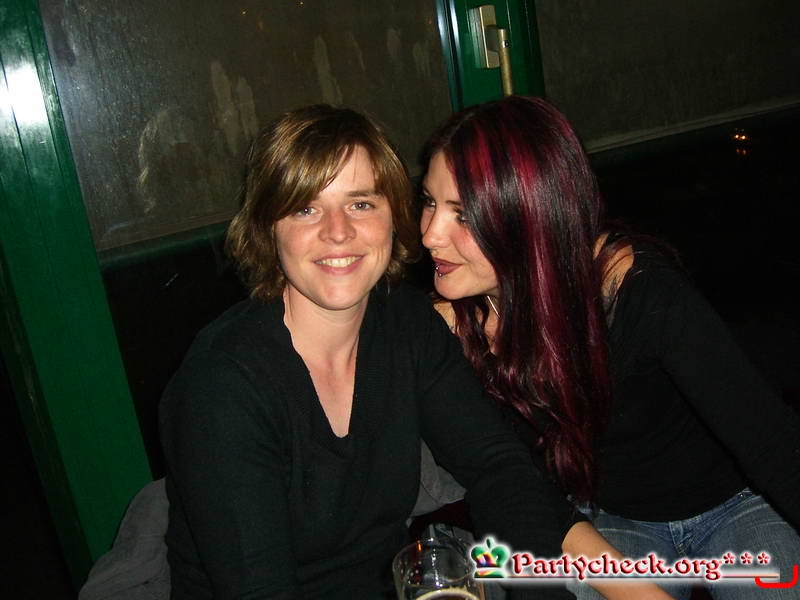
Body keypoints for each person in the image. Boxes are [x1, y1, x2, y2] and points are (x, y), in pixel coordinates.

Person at [160, 104, 660, 600]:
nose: (337, 231)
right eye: (305, 208)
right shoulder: (223, 384)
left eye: (360, 204)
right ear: (268, 227)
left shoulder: (407, 325)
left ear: (393, 218)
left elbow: (499, 468)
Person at [418, 95, 800, 600]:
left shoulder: (634, 290)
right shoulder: (452, 328)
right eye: (429, 201)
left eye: (463, 214)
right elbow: (524, 489)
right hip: (612, 519)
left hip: (734, 503)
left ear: (532, 218)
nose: (430, 235)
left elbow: (773, 446)